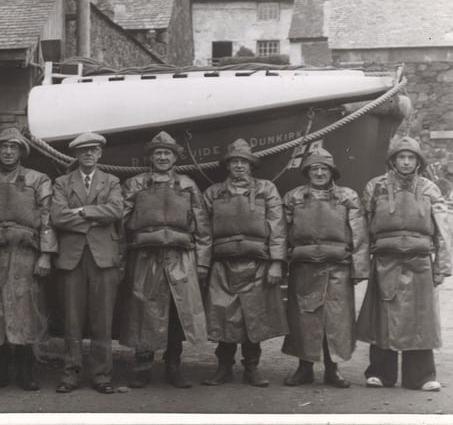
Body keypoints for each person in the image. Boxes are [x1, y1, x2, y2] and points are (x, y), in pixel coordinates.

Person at [0, 128, 57, 391]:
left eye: (13, 147)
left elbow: (48, 219)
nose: (8, 152)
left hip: (26, 255)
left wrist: (46, 255)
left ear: (21, 152)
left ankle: (26, 372)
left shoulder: (38, 180)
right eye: (3, 147)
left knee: (26, 311)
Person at [357, 136, 451, 392]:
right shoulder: (375, 187)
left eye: (411, 157)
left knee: (421, 320)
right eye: (402, 157)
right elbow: (363, 228)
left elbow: (443, 230)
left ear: (418, 161)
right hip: (385, 262)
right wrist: (361, 265)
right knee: (383, 317)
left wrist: (442, 266)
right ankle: (380, 373)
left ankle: (421, 376)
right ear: (393, 160)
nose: (406, 162)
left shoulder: (430, 188)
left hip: (419, 262)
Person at [120, 131, 211, 389]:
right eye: (158, 153)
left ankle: (173, 366)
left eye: (167, 153)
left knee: (176, 313)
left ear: (175, 157)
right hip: (145, 258)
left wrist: (202, 262)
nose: (162, 157)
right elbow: (121, 223)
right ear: (150, 157)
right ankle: (142, 367)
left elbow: (203, 226)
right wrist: (122, 257)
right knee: (143, 310)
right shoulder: (136, 184)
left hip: (180, 259)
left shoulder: (188, 185)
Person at [201, 139, 288, 388]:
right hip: (222, 264)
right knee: (223, 316)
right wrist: (203, 265)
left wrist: (276, 262)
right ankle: (223, 366)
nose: (239, 166)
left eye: (244, 162)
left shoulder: (266, 189)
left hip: (257, 263)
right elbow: (204, 232)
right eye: (234, 161)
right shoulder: (213, 192)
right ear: (227, 166)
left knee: (255, 317)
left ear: (251, 165)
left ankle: (252, 367)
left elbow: (278, 227)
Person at [281, 148, 370, 388]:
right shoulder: (294, 197)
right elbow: (281, 233)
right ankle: (304, 368)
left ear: (332, 172)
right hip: (304, 268)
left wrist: (359, 268)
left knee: (336, 319)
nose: (319, 173)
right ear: (307, 171)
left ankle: (333, 370)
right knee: (304, 318)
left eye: (324, 169)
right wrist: (280, 263)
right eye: (314, 168)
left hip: (337, 269)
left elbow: (359, 233)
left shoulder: (347, 197)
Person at [51, 132, 123, 394]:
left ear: (100, 154)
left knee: (102, 320)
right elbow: (58, 217)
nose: (88, 154)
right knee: (72, 320)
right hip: (72, 258)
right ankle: (71, 374)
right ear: (75, 155)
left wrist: (81, 212)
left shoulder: (112, 181)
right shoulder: (61, 182)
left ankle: (102, 375)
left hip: (104, 258)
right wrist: (97, 217)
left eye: (93, 150)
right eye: (83, 151)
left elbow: (116, 211)